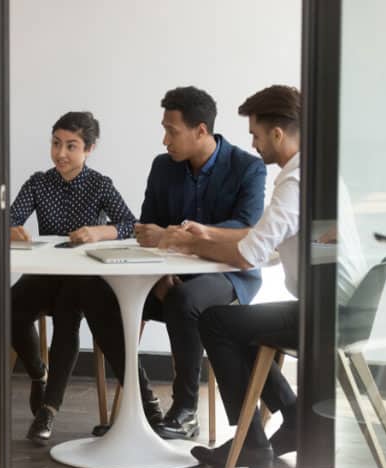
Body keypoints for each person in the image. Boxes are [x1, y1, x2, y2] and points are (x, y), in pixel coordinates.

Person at [158, 85, 365, 468]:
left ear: (277, 134)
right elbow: (266, 240)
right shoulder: (316, 173)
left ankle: (252, 442)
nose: (253, 143)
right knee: (241, 324)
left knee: (216, 320)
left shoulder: (295, 182)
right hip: (344, 308)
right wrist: (206, 236)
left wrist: (187, 246)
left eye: (255, 134)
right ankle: (292, 416)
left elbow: (247, 254)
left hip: (327, 314)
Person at [84, 86, 267, 440]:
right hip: (168, 273)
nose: (165, 139)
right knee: (96, 294)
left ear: (201, 130)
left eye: (172, 130)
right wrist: (161, 272)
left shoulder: (248, 168)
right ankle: (143, 406)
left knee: (186, 301)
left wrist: (185, 240)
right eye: (164, 129)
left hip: (229, 275)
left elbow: (245, 228)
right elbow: (147, 228)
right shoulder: (163, 167)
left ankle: (185, 410)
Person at [9, 111, 160, 445]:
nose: (61, 153)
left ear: (89, 149)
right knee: (7, 308)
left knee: (68, 313)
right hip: (47, 273)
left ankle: (49, 409)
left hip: (85, 279)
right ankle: (38, 373)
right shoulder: (38, 182)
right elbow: (10, 218)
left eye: (71, 146)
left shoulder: (99, 185)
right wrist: (12, 231)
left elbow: (131, 226)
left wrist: (99, 231)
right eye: (56, 143)